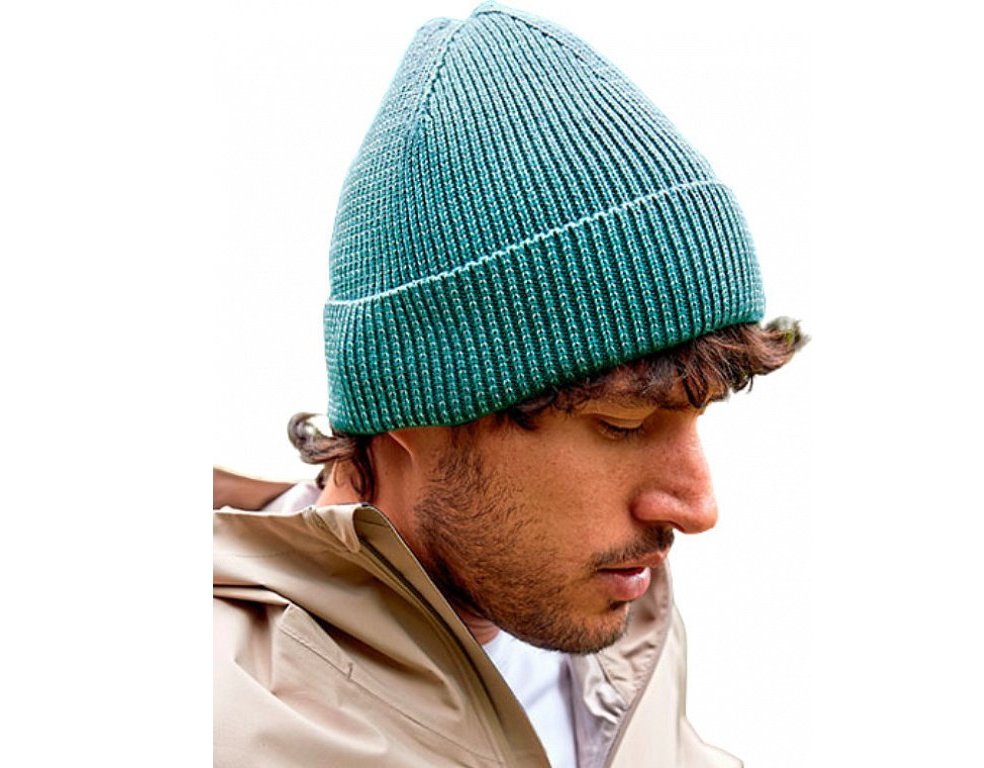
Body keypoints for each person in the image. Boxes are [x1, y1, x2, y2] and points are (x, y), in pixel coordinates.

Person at [214, 3, 805, 766]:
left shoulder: (614, 623)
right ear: (415, 400)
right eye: (622, 424)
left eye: (698, 416)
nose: (697, 507)